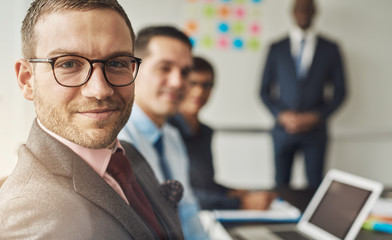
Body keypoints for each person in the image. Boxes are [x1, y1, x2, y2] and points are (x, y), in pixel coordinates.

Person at [0, 1, 184, 239]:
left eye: (117, 63)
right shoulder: (32, 217)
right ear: (27, 80)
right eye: (68, 64)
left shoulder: (125, 155)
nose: (100, 90)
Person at [118, 26, 209, 240]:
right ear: (133, 70)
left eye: (185, 72)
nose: (178, 82)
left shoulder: (172, 138)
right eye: (164, 68)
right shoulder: (115, 140)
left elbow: (187, 213)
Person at [169, 56, 275, 210]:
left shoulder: (205, 131)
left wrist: (233, 192)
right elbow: (176, 194)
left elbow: (204, 184)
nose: (199, 91)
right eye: (193, 83)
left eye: (207, 85)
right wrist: (241, 203)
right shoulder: (166, 131)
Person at [260, 0, 346, 187]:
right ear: (292, 12)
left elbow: (340, 92)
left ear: (315, 12)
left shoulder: (330, 49)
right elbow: (264, 91)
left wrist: (315, 116)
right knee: (281, 186)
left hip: (315, 132)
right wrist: (282, 115)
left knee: (315, 186)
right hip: (283, 131)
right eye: (300, 9)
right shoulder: (277, 48)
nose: (303, 13)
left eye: (308, 9)